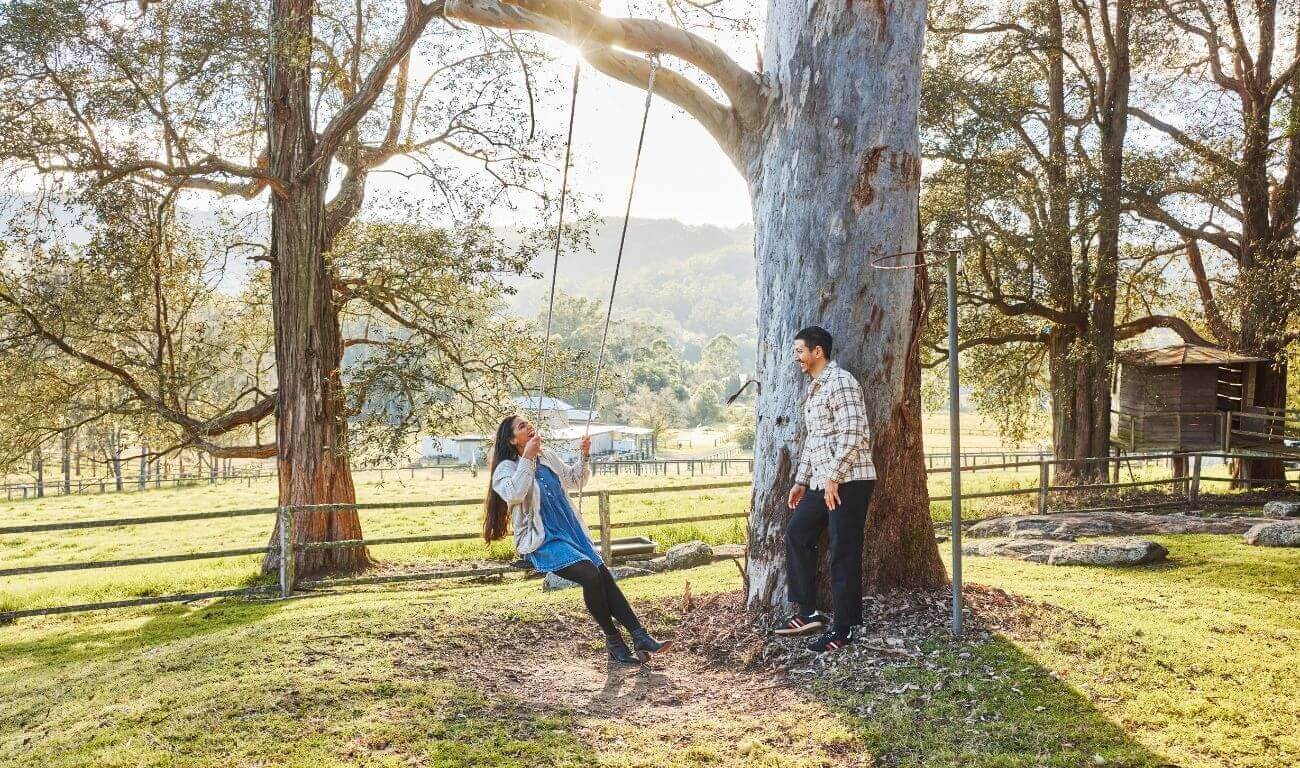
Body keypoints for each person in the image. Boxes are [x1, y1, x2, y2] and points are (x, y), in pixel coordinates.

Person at [483, 414, 671, 664]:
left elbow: (574, 480)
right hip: (543, 538)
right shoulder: (506, 468)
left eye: (528, 423)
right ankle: (614, 639)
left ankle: (639, 636)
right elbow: (514, 493)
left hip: (569, 529)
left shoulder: (547, 455)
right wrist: (527, 457)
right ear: (510, 439)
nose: (529, 427)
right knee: (591, 576)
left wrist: (584, 456)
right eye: (522, 426)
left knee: (603, 576)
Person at [773, 326, 876, 653]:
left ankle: (843, 631)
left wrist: (834, 475)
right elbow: (815, 440)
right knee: (797, 533)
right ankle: (808, 612)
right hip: (822, 480)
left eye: (800, 351)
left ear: (818, 352)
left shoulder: (841, 383)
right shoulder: (815, 389)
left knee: (842, 552)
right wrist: (801, 480)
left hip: (850, 480)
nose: (797, 358)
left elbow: (855, 433)